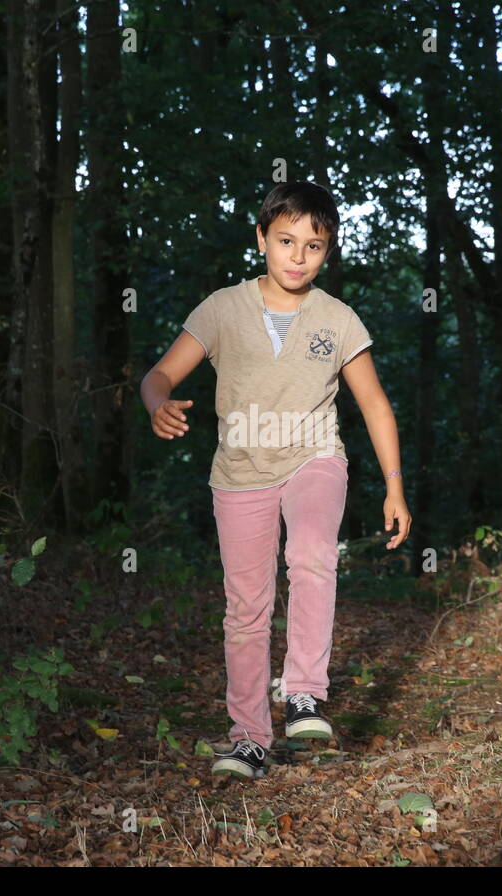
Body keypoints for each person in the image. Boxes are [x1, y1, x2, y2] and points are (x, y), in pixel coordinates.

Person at [139, 182, 411, 779]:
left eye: (313, 246)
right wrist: (156, 402)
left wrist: (393, 485)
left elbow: (374, 405)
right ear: (261, 238)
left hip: (315, 456)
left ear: (328, 251)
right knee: (246, 609)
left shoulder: (337, 320)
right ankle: (249, 739)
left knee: (313, 553)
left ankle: (306, 693)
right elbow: (159, 374)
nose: (297, 255)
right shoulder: (221, 309)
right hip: (240, 473)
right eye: (285, 241)